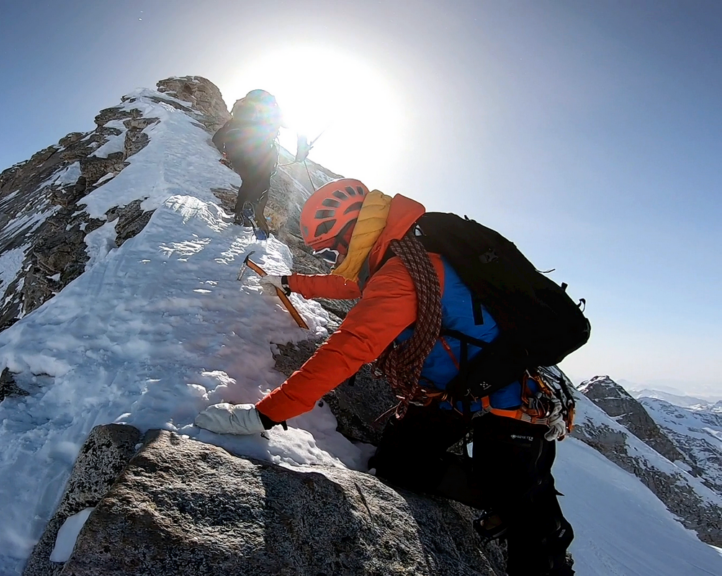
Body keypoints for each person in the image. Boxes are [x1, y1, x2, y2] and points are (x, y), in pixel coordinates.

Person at [195, 178, 576, 576]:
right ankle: (508, 496)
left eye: (334, 247)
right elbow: (351, 285)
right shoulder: (400, 254)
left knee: (533, 543)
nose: (334, 256)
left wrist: (264, 415)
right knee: (398, 462)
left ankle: (528, 513)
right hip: (459, 391)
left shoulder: (402, 272)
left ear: (352, 231)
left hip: (506, 401)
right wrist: (291, 283)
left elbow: (348, 349)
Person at [212, 89, 282, 233]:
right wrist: (302, 150)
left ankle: (240, 213)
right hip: (259, 151)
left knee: (248, 182)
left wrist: (224, 151)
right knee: (262, 183)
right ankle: (254, 216)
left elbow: (217, 137)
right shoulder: (271, 114)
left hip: (236, 153)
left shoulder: (240, 114)